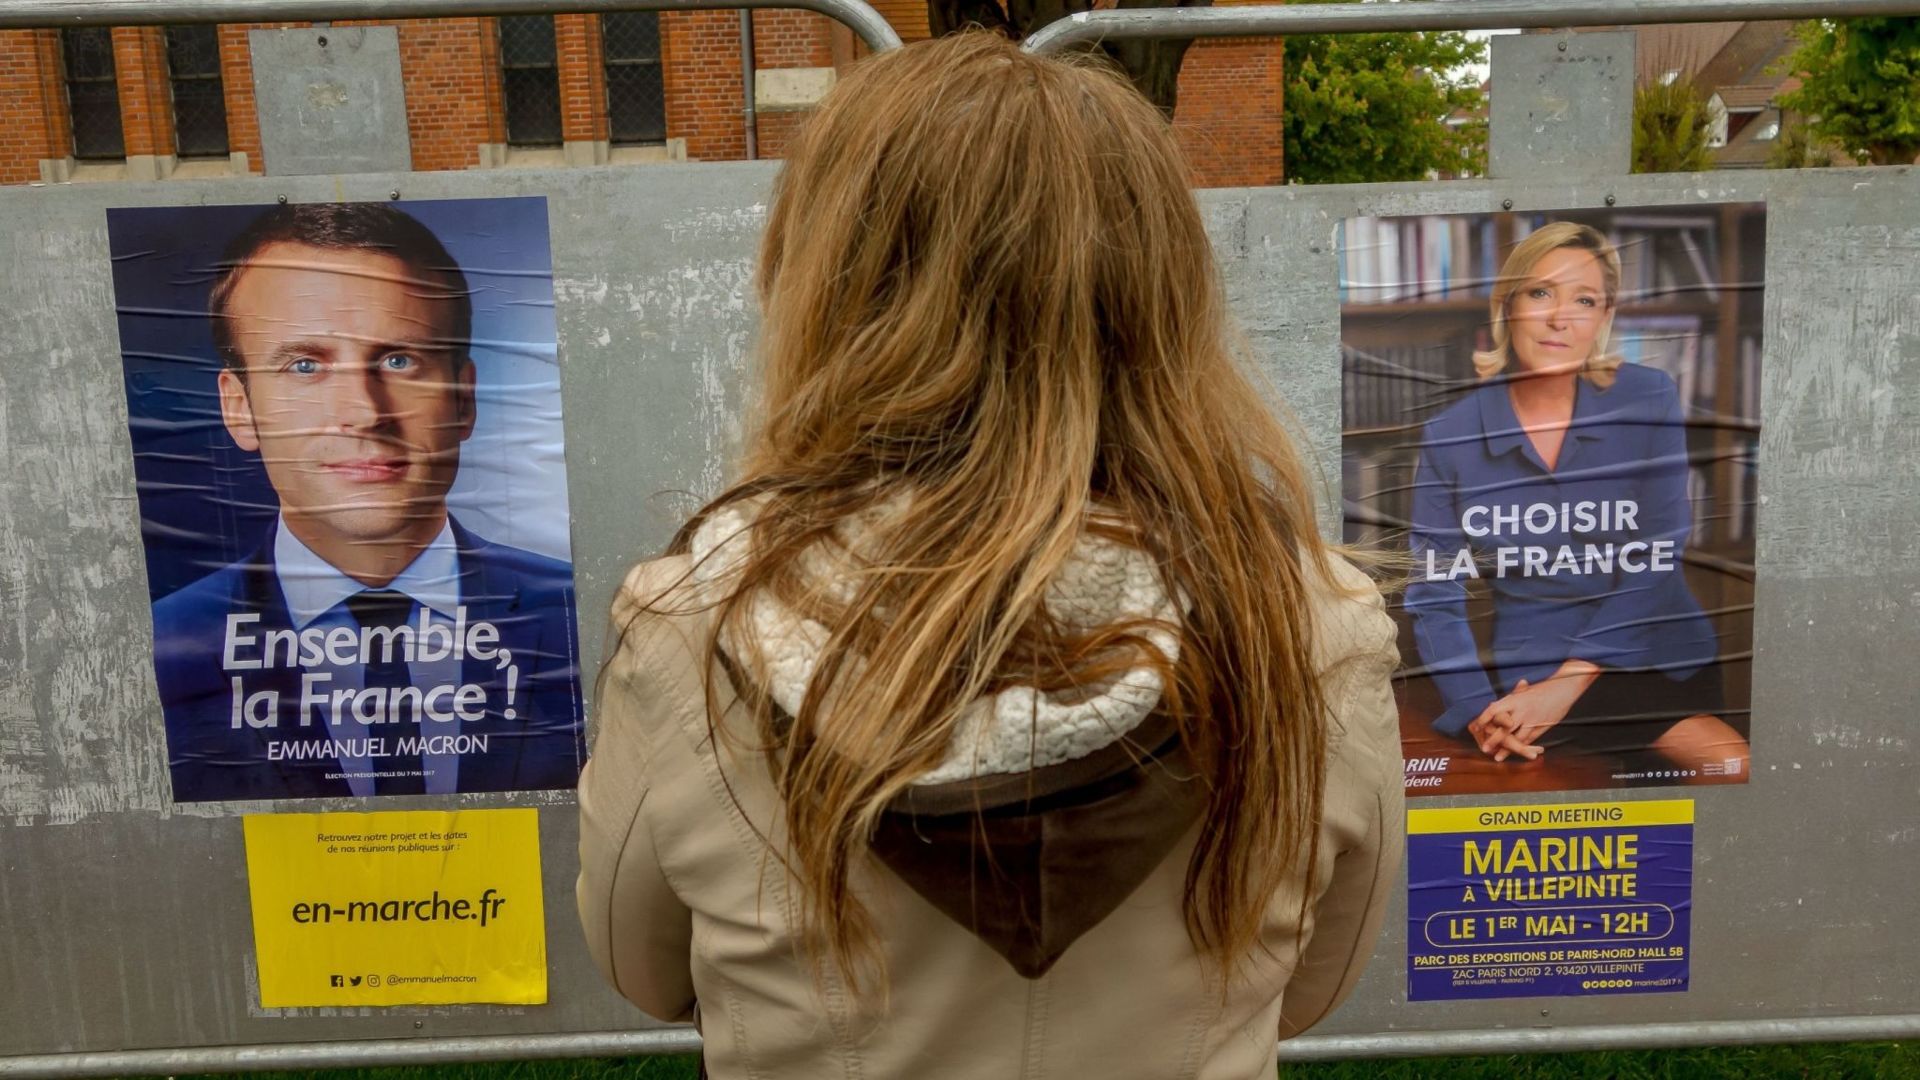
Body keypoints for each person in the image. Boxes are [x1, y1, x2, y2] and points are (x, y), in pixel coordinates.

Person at [577, 34, 1402, 1079]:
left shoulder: (697, 625)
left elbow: (640, 968)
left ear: (828, 286)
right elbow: (1310, 989)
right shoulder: (1307, 617)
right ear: (1162, 293)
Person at [151, 202, 582, 802]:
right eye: (305, 365)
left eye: (399, 360)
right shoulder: (159, 651)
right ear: (238, 408)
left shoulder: (583, 621)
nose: (364, 412)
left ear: (463, 400)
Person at [1405, 221, 1752, 776]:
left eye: (1584, 300)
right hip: (1528, 672)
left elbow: (1656, 556)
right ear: (1507, 306)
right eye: (1540, 293)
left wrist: (1565, 687)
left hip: (1653, 654)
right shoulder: (1451, 435)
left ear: (1604, 318)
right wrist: (1477, 711)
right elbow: (1432, 593)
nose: (1559, 318)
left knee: (1732, 767)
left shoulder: (1648, 396)